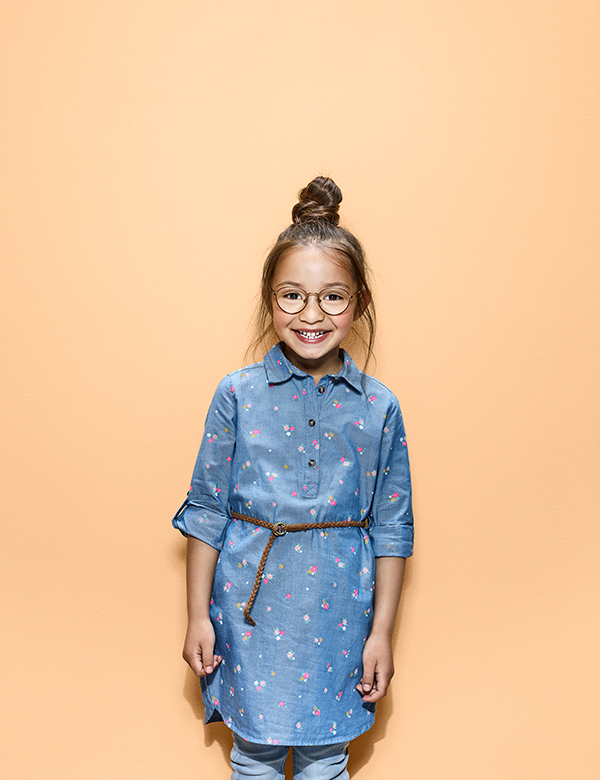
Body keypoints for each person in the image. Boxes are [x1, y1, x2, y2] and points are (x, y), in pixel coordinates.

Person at [172, 176, 414, 779]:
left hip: (339, 614)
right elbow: (206, 511)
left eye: (333, 297)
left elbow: (392, 528)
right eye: (292, 296)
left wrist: (382, 633)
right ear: (268, 299)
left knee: (325, 757)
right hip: (249, 611)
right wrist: (197, 615)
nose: (311, 315)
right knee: (253, 752)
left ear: (359, 302)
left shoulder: (380, 407)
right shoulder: (236, 394)